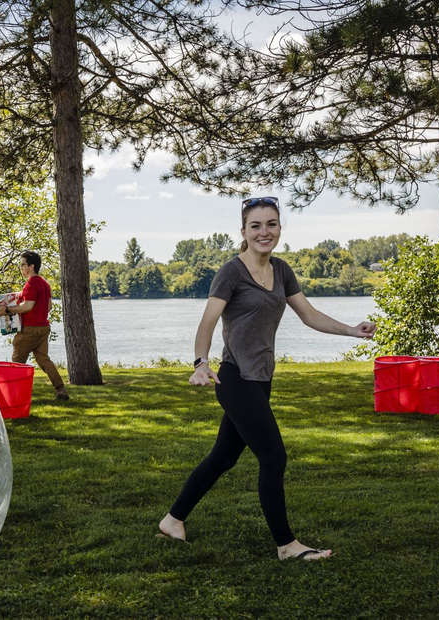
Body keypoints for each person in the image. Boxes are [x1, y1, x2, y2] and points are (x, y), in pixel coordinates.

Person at [157, 196, 376, 561]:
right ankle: (287, 545)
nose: (264, 232)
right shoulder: (231, 272)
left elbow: (308, 314)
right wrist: (200, 363)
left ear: (279, 228)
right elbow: (207, 322)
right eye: (256, 225)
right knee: (273, 457)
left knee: (222, 458)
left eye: (271, 224)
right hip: (235, 378)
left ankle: (173, 520)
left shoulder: (282, 269)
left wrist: (352, 331)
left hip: (261, 379)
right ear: (243, 231)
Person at [0, 251, 70, 401]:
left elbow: (27, 306)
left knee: (17, 362)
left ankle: (13, 397)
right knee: (43, 360)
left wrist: (6, 310)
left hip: (30, 329)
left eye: (23, 264)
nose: (21, 267)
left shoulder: (31, 284)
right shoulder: (44, 283)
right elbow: (49, 306)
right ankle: (61, 390)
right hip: (43, 328)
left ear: (31, 266)